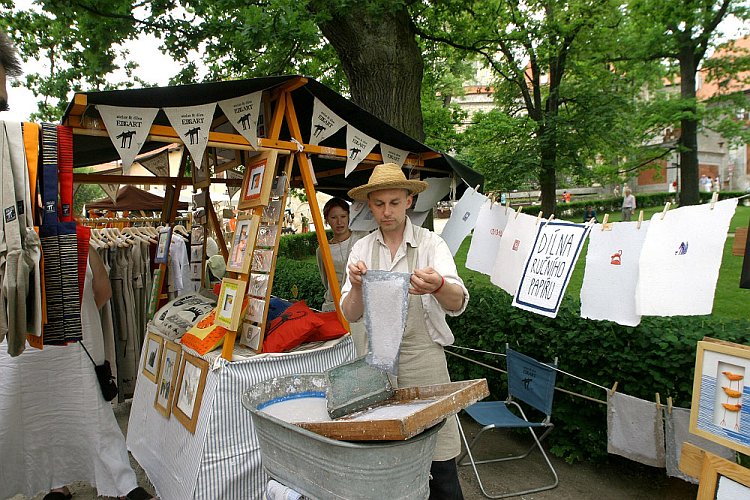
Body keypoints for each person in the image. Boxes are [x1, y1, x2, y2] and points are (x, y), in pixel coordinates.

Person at [0, 33, 154, 500]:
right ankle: (72, 483)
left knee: (58, 414)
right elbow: (105, 295)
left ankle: (70, 483)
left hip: (51, 343)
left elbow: (103, 292)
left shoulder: (73, 239)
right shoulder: (72, 239)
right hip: (29, 340)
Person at [341, 163, 469, 499]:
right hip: (376, 365)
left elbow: (457, 302)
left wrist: (439, 284)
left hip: (424, 358)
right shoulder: (361, 250)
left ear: (409, 201)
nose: (387, 211)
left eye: (394, 202)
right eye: (379, 204)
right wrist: (356, 287)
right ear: (370, 204)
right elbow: (350, 314)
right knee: (387, 458)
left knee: (440, 461)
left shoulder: (431, 245)